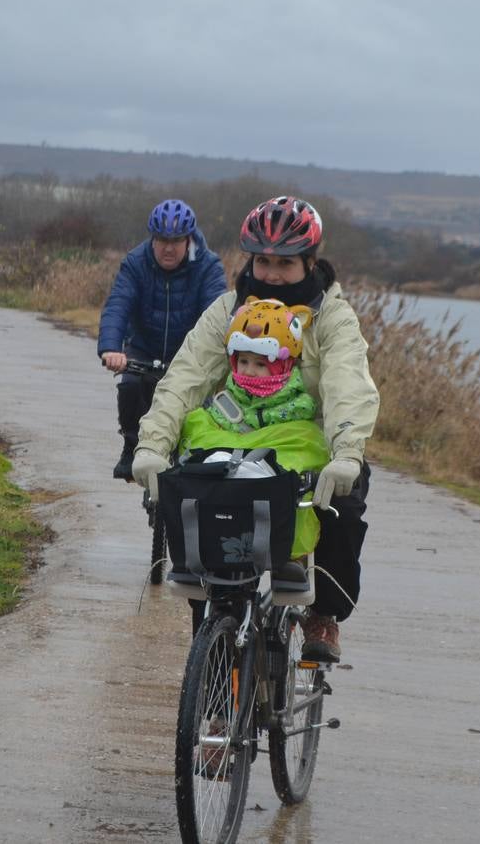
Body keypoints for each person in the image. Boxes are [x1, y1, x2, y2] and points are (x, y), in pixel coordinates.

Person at [133, 195, 379, 662]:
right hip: (235, 442)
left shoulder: (331, 318)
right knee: (202, 525)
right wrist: (152, 443)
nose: (270, 274)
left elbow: (348, 383)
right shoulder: (228, 310)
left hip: (308, 444)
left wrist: (346, 452)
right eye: (262, 261)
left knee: (343, 510)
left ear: (310, 261)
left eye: (284, 264)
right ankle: (216, 686)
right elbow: (186, 377)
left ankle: (323, 615)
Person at [176, 296, 327, 594]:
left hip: (272, 473)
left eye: (261, 363)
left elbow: (303, 443)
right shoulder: (224, 404)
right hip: (232, 476)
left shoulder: (297, 407)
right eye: (243, 361)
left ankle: (291, 557)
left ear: (284, 365)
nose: (249, 370)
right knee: (201, 452)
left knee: (292, 477)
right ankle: (194, 548)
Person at [98, 198, 228, 480]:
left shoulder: (207, 267)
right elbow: (118, 304)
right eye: (161, 240)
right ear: (152, 238)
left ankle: (196, 457)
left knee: (202, 404)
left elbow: (217, 314)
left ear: (188, 239)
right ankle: (132, 447)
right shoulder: (136, 262)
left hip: (191, 352)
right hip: (145, 347)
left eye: (176, 240)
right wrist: (111, 348)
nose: (168, 248)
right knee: (130, 387)